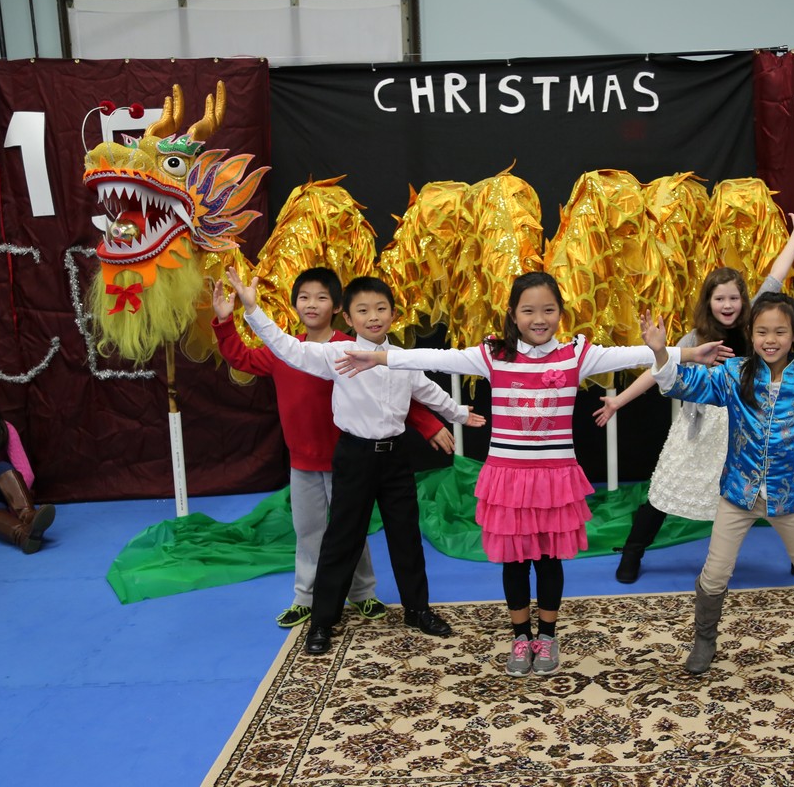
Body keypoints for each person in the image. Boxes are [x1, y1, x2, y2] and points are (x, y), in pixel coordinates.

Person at [335, 271, 688, 677]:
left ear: (561, 312)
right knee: (515, 562)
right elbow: (436, 359)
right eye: (529, 311)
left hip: (554, 480)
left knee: (549, 560)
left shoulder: (575, 354)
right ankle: (521, 637)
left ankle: (547, 636)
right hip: (509, 479)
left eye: (548, 310)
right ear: (513, 314)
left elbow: (630, 356)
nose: (539, 319)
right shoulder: (493, 354)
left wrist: (679, 351)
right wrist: (380, 357)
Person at [225, 268, 485, 655]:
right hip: (354, 455)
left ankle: (418, 610)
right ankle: (322, 621)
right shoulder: (337, 354)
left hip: (396, 457)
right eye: (363, 310)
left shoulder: (402, 359)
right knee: (341, 539)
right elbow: (287, 348)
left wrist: (458, 413)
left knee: (406, 537)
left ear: (394, 314)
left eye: (381, 308)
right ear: (348, 317)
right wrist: (252, 310)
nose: (373, 317)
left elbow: (427, 391)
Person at [641, 291, 794, 673]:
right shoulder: (734, 373)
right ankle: (704, 640)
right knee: (715, 572)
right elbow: (687, 384)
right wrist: (660, 353)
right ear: (751, 334)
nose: (770, 340)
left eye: (779, 332)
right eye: (761, 332)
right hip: (738, 494)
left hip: (789, 497)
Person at [595, 214, 794, 583]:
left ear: (744, 301)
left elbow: (777, 275)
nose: (727, 304)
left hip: (752, 427)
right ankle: (633, 552)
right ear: (709, 302)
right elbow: (658, 370)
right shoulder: (694, 339)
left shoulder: (756, 324)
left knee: (792, 488)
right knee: (664, 491)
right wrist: (618, 401)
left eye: (734, 297)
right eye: (720, 298)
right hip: (701, 430)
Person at [0, 374, 56, 554]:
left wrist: (13, 505)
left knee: (1, 467)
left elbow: (25, 472)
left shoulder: (3, 429)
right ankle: (22, 535)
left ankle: (28, 517)